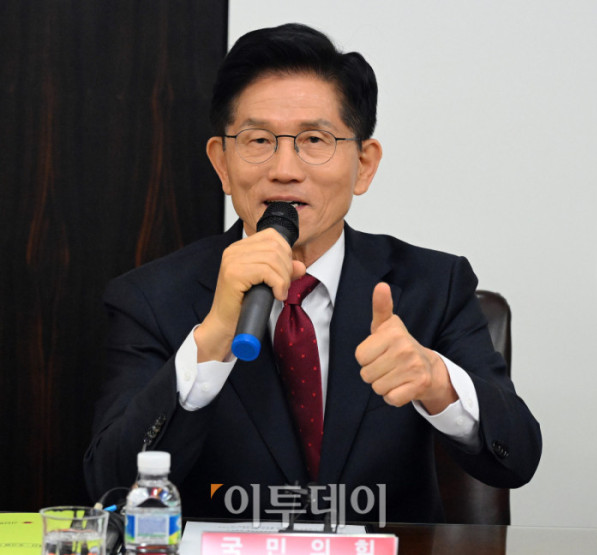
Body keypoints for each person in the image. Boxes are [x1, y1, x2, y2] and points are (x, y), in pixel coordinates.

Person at [84, 23, 542, 524]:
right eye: (259, 139)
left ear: (364, 164)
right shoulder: (151, 297)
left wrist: (438, 383)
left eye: (314, 139)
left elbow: (517, 458)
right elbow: (110, 485)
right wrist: (209, 344)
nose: (285, 168)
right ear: (222, 163)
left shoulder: (433, 285)